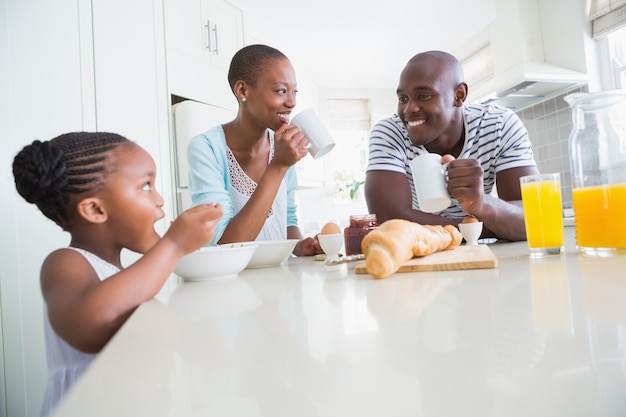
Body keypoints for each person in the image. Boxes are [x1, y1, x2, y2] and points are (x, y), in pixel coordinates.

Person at [12, 132, 223, 416]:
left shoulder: (124, 274)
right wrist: (173, 245)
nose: (160, 199)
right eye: (146, 186)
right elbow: (86, 323)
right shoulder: (66, 262)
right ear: (96, 209)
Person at [365, 50, 539, 241]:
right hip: (423, 254)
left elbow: (536, 218)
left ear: (459, 95)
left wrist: (481, 204)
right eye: (403, 98)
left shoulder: (499, 124)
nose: (409, 109)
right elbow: (389, 221)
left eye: (423, 95)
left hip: (476, 252)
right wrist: (479, 227)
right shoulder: (389, 133)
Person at [187, 44, 322, 256]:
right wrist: (278, 166)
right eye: (280, 91)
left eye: (294, 91)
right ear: (243, 90)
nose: (292, 101)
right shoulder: (206, 148)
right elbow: (226, 245)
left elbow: (287, 220)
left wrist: (300, 246)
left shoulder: (282, 146)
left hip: (279, 279)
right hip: (231, 283)